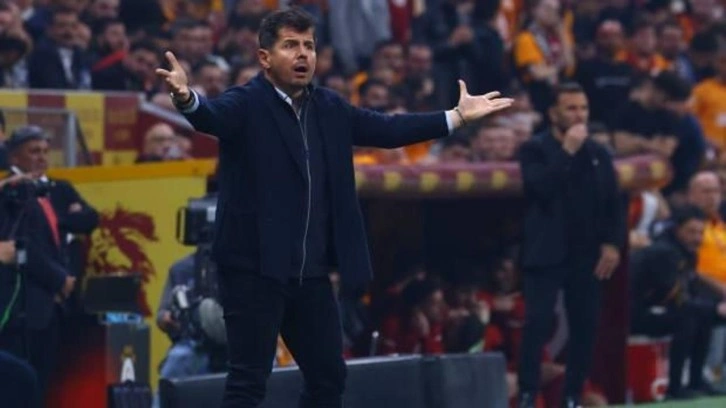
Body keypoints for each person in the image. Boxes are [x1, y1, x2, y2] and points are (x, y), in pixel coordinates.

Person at [156, 7, 513, 408]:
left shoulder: (329, 107)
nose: (303, 54)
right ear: (264, 58)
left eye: (308, 46)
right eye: (290, 45)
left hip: (310, 273)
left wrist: (456, 116)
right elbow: (210, 117)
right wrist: (186, 98)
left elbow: (387, 129)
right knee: (248, 382)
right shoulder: (245, 103)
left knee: (329, 377)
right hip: (254, 269)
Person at [517, 82, 624, 408]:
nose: (580, 115)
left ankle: (572, 397)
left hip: (587, 254)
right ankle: (527, 395)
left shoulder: (599, 154)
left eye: (584, 108)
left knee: (585, 327)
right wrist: (567, 152)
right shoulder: (534, 149)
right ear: (553, 113)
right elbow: (541, 188)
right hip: (546, 251)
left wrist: (612, 243)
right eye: (571, 108)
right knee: (536, 323)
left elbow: (614, 202)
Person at [630, 205, 726, 399]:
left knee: (702, 316)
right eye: (691, 231)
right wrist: (717, 308)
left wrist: (715, 308)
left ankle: (696, 380)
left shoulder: (687, 251)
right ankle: (675, 387)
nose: (697, 238)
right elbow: (677, 299)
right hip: (633, 315)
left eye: (700, 232)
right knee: (688, 317)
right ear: (676, 229)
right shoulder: (664, 253)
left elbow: (690, 293)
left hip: (657, 310)